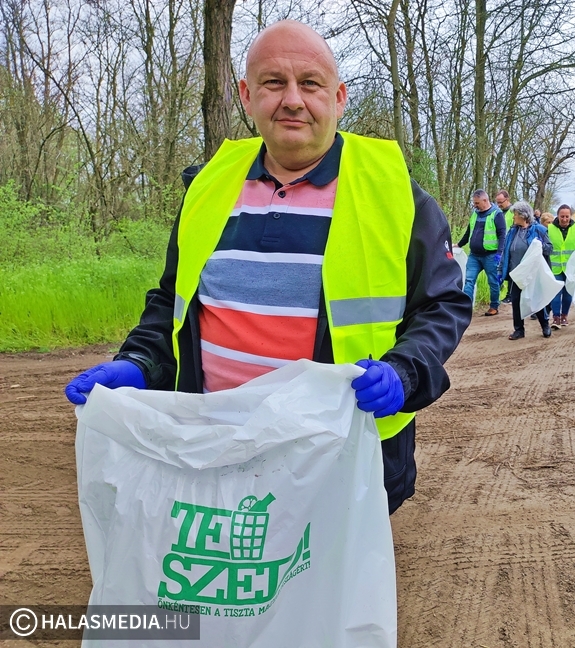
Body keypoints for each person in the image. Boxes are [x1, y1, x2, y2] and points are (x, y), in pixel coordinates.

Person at [63, 20, 471, 515]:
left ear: (339, 97)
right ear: (247, 95)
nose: (293, 99)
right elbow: (173, 301)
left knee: (320, 588)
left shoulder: (395, 193)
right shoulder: (207, 187)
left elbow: (443, 304)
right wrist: (140, 364)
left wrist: (404, 373)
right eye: (274, 83)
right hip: (215, 451)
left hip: (339, 457)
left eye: (311, 83)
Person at [499, 201, 553, 340]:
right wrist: (501, 270)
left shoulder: (539, 230)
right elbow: (506, 251)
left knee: (536, 300)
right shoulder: (512, 231)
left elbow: (549, 248)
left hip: (533, 274)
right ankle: (519, 330)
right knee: (516, 301)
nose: (513, 218)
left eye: (515, 215)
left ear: (523, 216)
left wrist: (539, 245)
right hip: (516, 274)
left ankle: (545, 325)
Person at [457, 189, 506, 315]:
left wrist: (499, 253)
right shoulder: (475, 213)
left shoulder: (497, 214)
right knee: (469, 280)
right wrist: (459, 244)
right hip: (474, 256)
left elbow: (502, 235)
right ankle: (466, 309)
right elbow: (469, 232)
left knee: (493, 282)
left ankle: (494, 306)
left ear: (485, 200)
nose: (475, 205)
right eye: (474, 203)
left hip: (491, 256)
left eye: (477, 203)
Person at [547, 204, 575, 329]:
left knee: (568, 293)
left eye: (567, 216)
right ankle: (556, 318)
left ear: (570, 216)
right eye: (562, 216)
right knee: (555, 292)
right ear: (557, 216)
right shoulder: (549, 229)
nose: (564, 219)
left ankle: (564, 316)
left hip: (571, 268)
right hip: (555, 267)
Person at [495, 189, 515, 303]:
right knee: (501, 269)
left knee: (510, 269)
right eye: (497, 202)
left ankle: (510, 295)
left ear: (507, 199)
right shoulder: (498, 212)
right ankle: (502, 293)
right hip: (500, 245)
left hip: (511, 244)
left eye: (501, 202)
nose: (499, 204)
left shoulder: (513, 212)